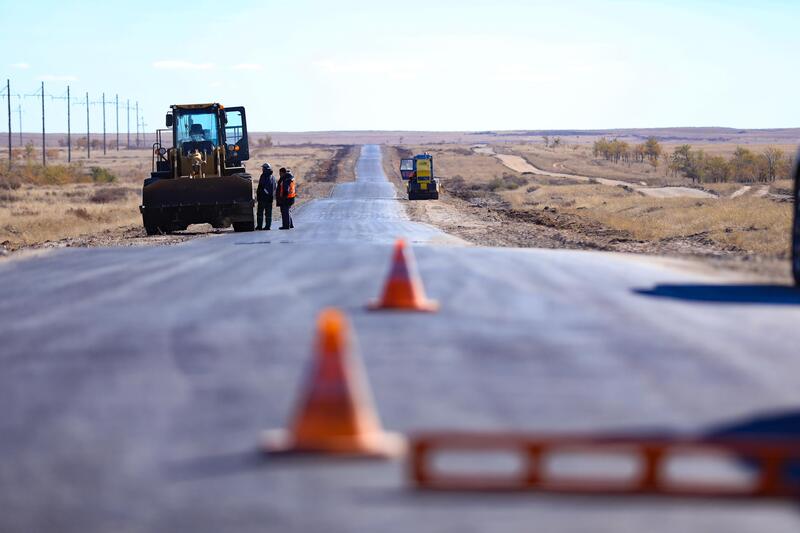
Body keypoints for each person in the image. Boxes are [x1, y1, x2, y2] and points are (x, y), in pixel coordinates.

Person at [256, 162, 276, 230]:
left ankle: (260, 226)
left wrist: (261, 193)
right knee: (268, 213)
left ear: (265, 169)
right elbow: (274, 187)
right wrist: (271, 195)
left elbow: (262, 186)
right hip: (269, 198)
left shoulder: (264, 176)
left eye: (263, 168)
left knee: (260, 213)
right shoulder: (272, 177)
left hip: (263, 198)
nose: (262, 169)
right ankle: (267, 226)